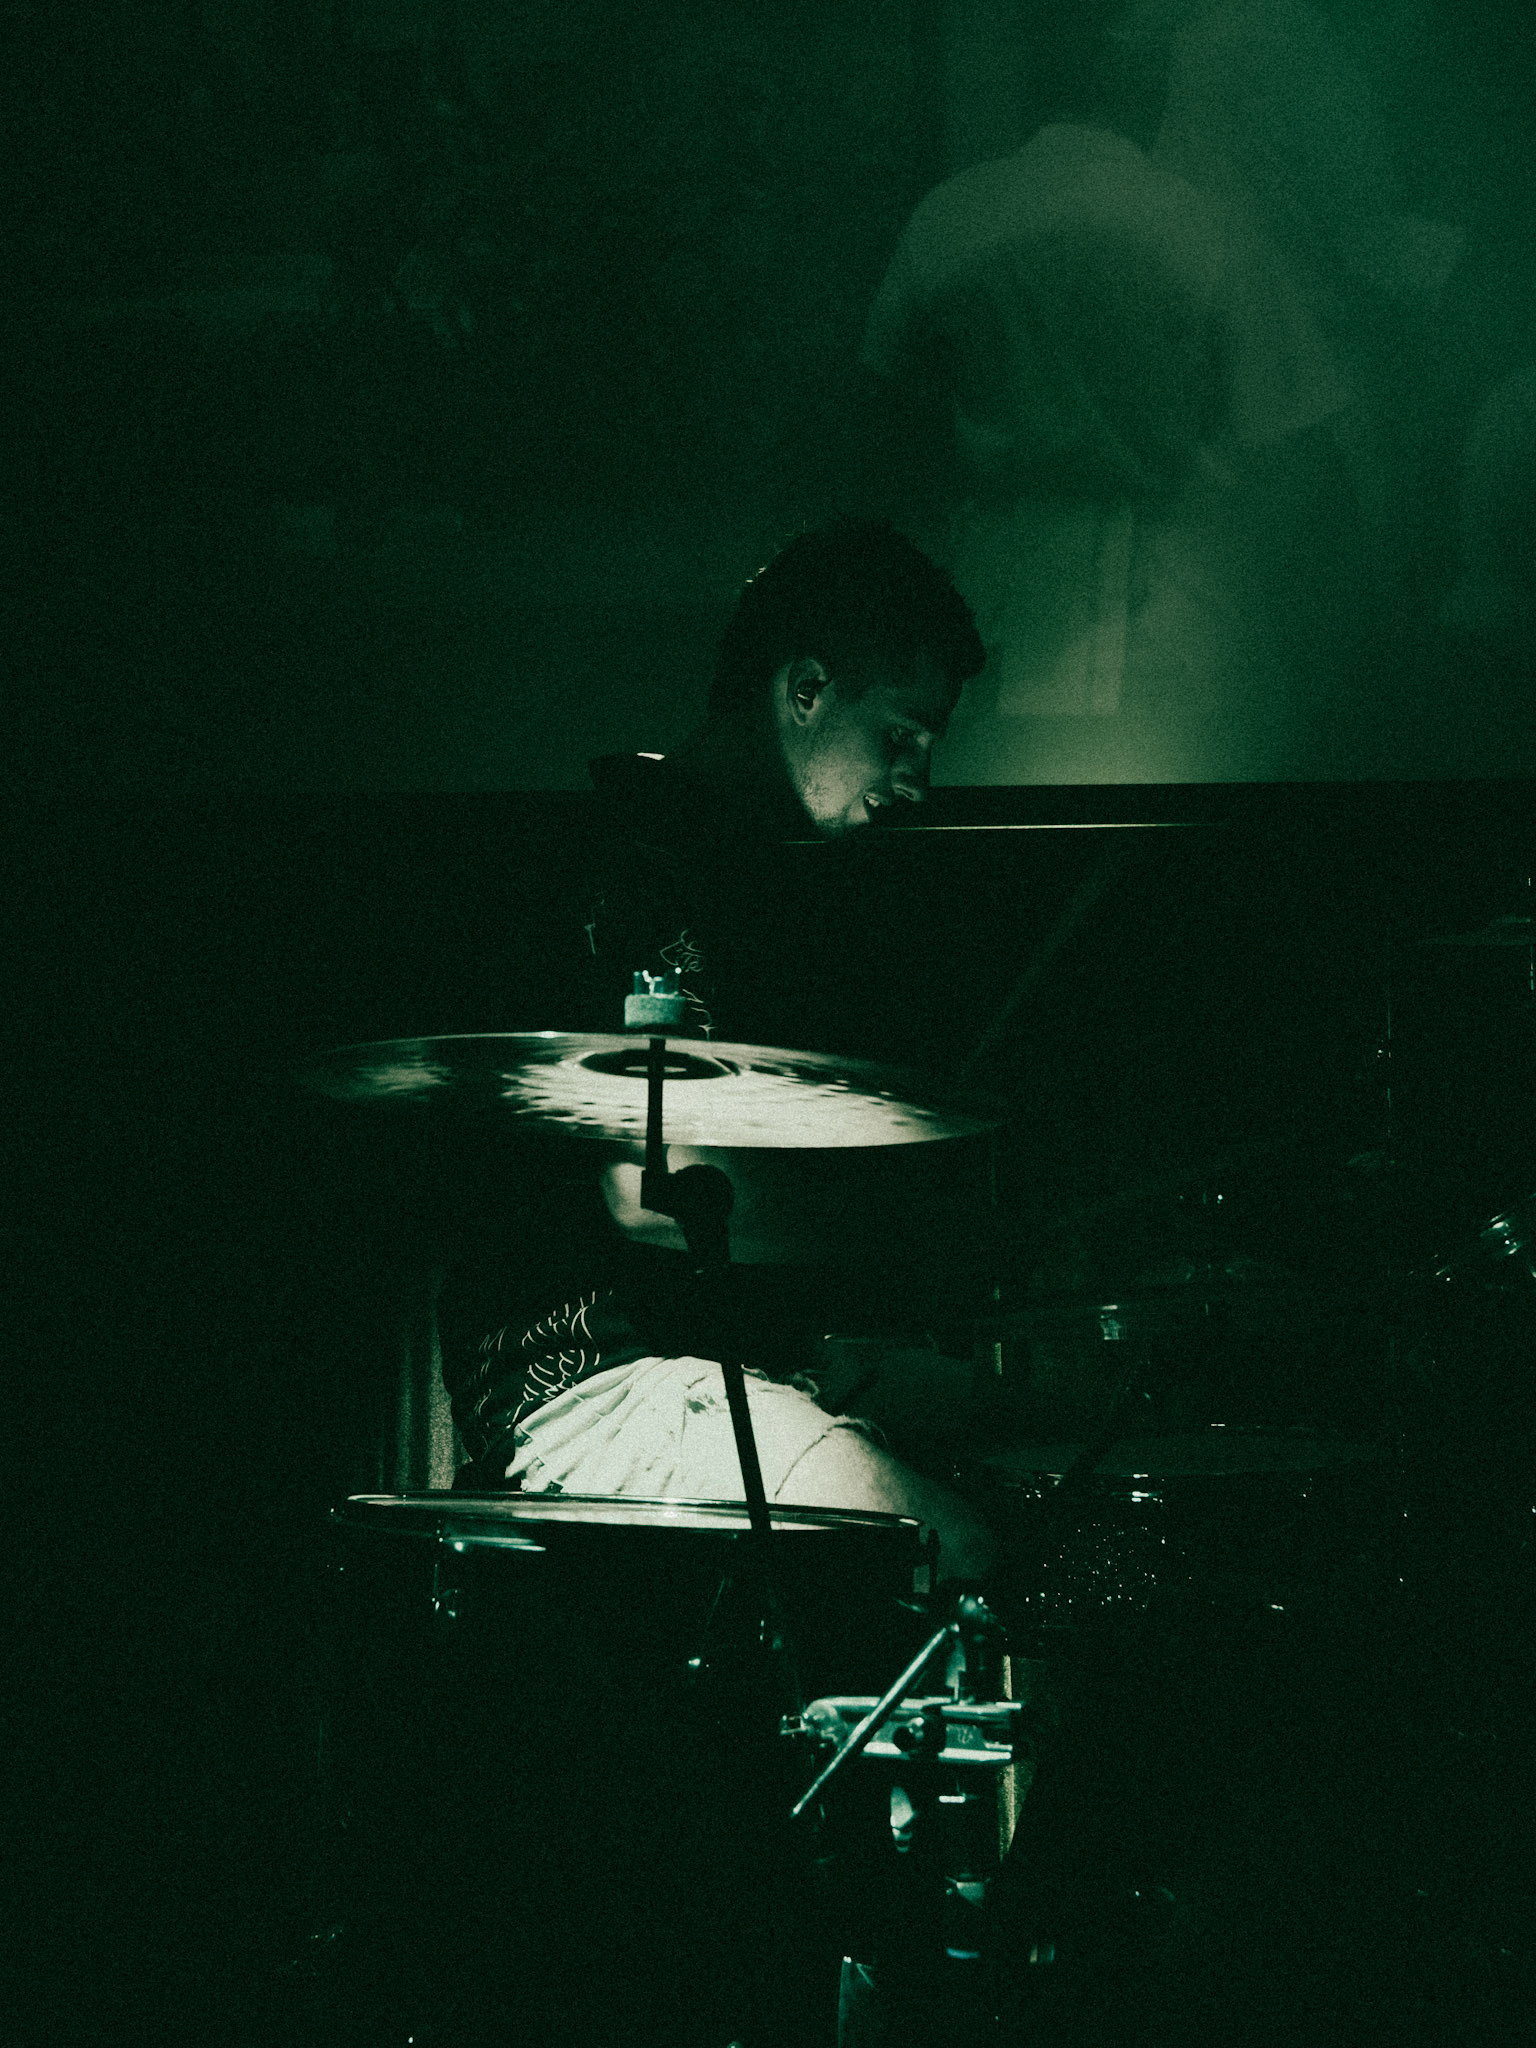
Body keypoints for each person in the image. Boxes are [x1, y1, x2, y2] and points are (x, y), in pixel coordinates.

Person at [438, 519, 996, 1579]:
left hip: (722, 1354)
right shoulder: (639, 871)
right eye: (902, 734)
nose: (919, 779)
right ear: (806, 689)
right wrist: (905, 1230)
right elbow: (652, 1190)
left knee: (1033, 1427)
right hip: (596, 1382)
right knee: (958, 1546)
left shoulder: (749, 872)